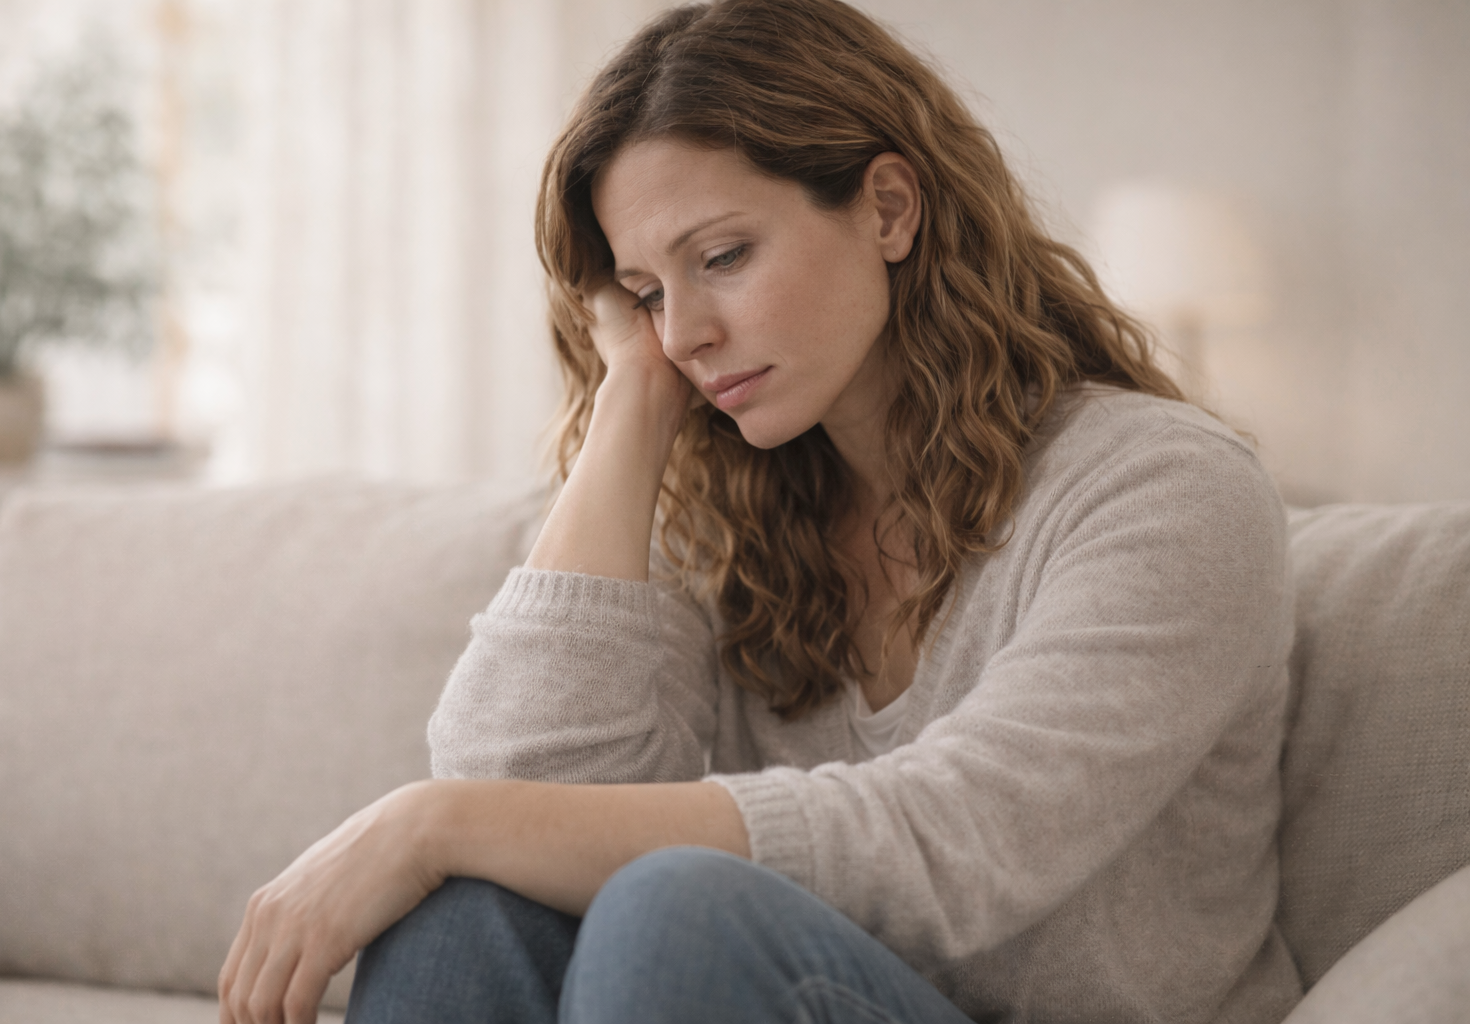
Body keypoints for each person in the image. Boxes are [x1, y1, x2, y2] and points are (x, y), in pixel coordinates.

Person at [217, 1, 1304, 1022]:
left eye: (723, 257)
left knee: (669, 909)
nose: (682, 329)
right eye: (645, 292)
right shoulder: (736, 513)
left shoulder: (1165, 489)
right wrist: (631, 402)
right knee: (472, 904)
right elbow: (520, 796)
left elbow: (961, 841)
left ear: (888, 208)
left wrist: (429, 820)